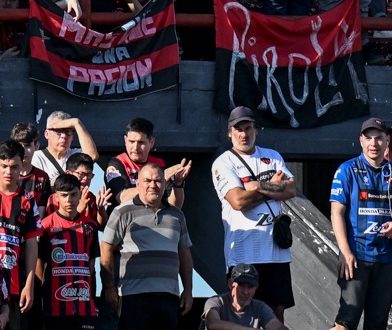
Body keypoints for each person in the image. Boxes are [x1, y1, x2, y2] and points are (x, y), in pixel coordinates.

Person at [212, 108, 296, 319]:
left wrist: (256, 186)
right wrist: (271, 188)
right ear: (229, 133)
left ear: (256, 130)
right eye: (238, 129)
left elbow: (291, 189)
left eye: (248, 128)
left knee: (276, 312)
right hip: (244, 253)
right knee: (244, 312)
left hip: (276, 252)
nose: (243, 134)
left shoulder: (273, 156)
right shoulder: (223, 162)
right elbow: (238, 201)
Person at [327, 118, 392, 330]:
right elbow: (336, 212)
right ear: (361, 141)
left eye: (379, 138)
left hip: (387, 258)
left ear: (387, 141)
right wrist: (345, 252)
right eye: (369, 138)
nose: (374, 143)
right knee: (346, 320)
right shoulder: (347, 170)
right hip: (356, 255)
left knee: (378, 323)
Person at [100, 162, 193, 330]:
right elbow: (106, 247)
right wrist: (109, 287)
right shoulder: (122, 212)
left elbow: (184, 253)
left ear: (165, 184)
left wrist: (188, 290)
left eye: (158, 181)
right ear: (137, 184)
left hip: (169, 296)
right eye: (147, 180)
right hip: (133, 296)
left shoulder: (176, 214)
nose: (153, 185)